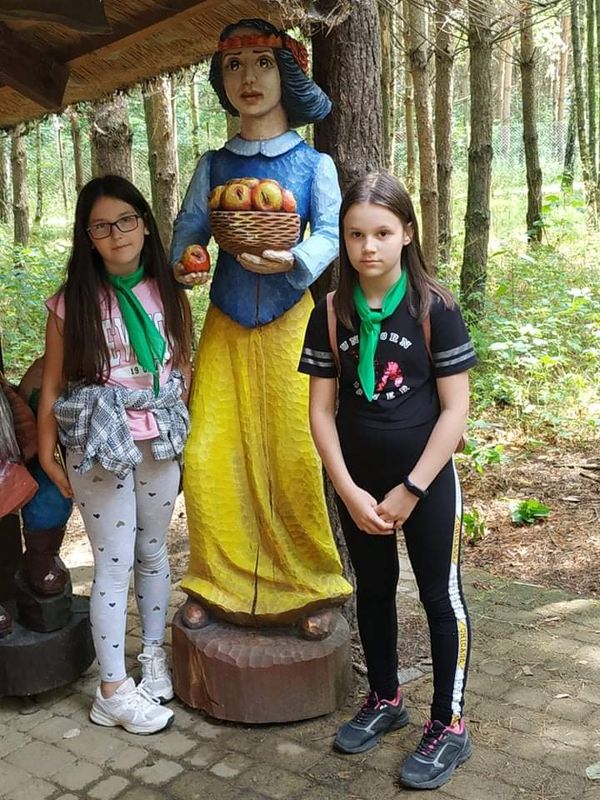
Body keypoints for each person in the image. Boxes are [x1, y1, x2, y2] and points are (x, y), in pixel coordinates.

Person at [171, 18, 352, 633]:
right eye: (234, 65)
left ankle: (309, 584)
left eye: (263, 63)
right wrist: (188, 259)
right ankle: (215, 579)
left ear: (287, 75)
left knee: (296, 450)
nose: (247, 78)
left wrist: (295, 260)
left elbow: (329, 232)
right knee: (208, 450)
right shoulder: (213, 164)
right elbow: (191, 226)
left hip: (289, 322)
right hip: (225, 320)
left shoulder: (313, 163)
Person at [299, 172, 476, 790]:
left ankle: (449, 724)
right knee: (372, 591)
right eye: (355, 234)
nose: (368, 246)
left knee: (438, 598)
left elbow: (455, 410)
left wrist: (413, 489)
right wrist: (348, 489)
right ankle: (384, 697)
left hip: (425, 483)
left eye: (381, 232)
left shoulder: (434, 309)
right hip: (358, 485)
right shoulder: (330, 312)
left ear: (406, 234)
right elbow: (321, 411)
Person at [38, 175, 192, 735]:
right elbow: (52, 384)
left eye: (126, 220)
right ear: (88, 237)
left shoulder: (169, 290)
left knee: (153, 551)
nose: (117, 234)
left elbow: (183, 365)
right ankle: (111, 690)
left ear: (144, 224)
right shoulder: (71, 303)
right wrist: (48, 451)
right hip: (99, 440)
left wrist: (184, 429)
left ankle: (152, 657)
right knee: (114, 562)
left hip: (158, 435)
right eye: (101, 226)